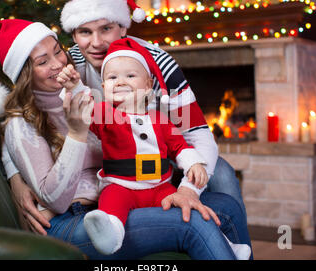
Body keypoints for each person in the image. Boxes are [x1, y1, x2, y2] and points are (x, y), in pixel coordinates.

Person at [0, 18, 251, 260]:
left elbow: (137, 141)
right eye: (42, 61)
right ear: (24, 74)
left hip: (115, 200)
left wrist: (180, 185)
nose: (59, 62)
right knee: (192, 223)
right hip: (71, 219)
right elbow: (55, 200)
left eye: (57, 51)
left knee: (225, 205)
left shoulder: (89, 91)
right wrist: (75, 134)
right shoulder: (21, 123)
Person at [60, 37, 251, 258]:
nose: (120, 81)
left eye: (130, 76)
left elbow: (179, 145)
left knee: (188, 208)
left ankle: (227, 244)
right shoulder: (107, 115)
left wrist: (193, 162)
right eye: (112, 78)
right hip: (122, 185)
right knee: (112, 201)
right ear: (103, 88)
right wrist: (74, 87)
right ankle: (110, 232)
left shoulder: (160, 118)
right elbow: (84, 107)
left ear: (149, 84)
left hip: (160, 187)